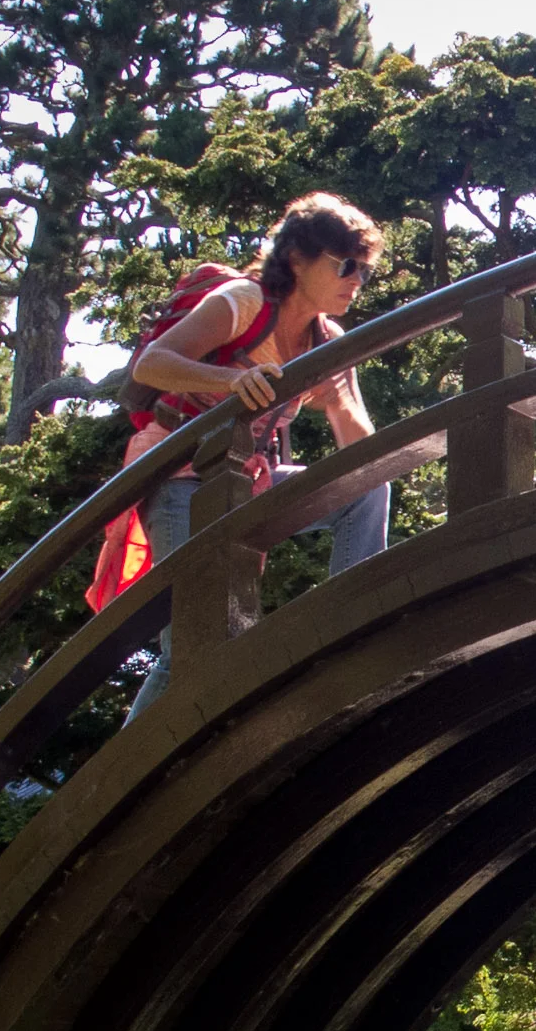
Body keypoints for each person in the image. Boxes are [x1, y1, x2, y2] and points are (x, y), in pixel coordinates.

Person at [108, 192, 391, 719]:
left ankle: (352, 623)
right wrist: (232, 380)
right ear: (297, 260)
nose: (357, 280)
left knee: (370, 488)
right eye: (346, 265)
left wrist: (335, 403)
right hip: (181, 480)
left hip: (247, 483)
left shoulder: (328, 339)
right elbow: (152, 365)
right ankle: (111, 794)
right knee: (195, 643)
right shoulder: (244, 302)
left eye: (365, 271)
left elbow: (363, 458)